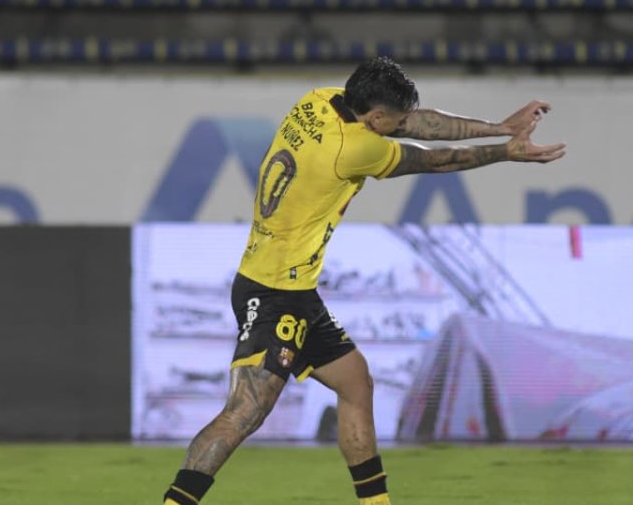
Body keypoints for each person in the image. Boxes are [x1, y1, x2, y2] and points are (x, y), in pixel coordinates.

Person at [162, 58, 566, 505]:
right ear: (375, 119)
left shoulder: (316, 101)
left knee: (354, 381)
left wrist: (500, 125)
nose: (400, 126)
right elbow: (434, 160)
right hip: (276, 293)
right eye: (393, 122)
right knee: (245, 412)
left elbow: (419, 123)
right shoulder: (353, 148)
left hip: (287, 286)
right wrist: (504, 151)